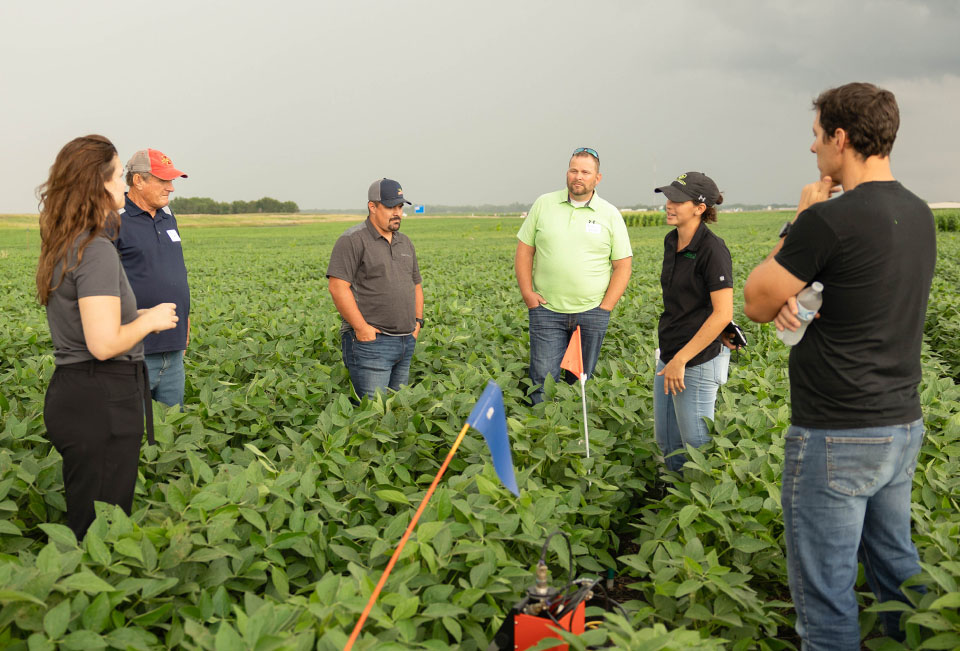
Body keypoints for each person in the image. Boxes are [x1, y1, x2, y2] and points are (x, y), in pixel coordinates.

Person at [743, 82, 936, 648]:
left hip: (837, 431)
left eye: (816, 136)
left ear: (841, 137)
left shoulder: (828, 220)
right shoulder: (918, 212)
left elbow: (755, 301)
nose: (813, 149)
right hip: (900, 423)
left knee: (826, 600)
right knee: (898, 572)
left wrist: (799, 220)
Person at [36, 135, 178, 539]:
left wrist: (138, 314)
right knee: (102, 532)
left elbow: (92, 323)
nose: (122, 184)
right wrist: (149, 322)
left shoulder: (66, 243)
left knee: (88, 519)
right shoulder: (96, 249)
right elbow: (102, 343)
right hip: (101, 400)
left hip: (76, 394)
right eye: (117, 176)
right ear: (97, 183)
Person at [515, 147, 632, 404]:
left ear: (597, 178)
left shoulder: (610, 214)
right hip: (546, 310)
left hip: (591, 312)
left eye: (585, 172)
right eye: (573, 170)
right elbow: (525, 251)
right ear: (567, 173)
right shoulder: (544, 204)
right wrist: (527, 294)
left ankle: (575, 435)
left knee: (579, 382)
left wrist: (605, 308)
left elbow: (623, 265)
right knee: (543, 381)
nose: (578, 176)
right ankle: (544, 431)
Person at [652, 172, 734, 472]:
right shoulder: (671, 240)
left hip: (696, 361)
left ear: (700, 208)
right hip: (670, 354)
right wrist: (670, 358)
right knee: (668, 442)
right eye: (668, 198)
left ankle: (706, 511)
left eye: (677, 200)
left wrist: (682, 359)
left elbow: (723, 314)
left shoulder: (713, 250)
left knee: (697, 447)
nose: (668, 205)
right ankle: (673, 506)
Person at [326, 178, 423, 399]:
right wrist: (361, 329)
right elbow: (338, 287)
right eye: (390, 206)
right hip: (371, 344)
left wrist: (417, 323)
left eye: (399, 206)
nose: (396, 212)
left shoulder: (405, 242)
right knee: (372, 417)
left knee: (397, 411)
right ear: (372, 206)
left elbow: (415, 284)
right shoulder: (353, 240)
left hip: (405, 341)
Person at [115, 149, 191, 407]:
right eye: (163, 181)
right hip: (132, 351)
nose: (171, 188)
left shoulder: (168, 217)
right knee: (130, 431)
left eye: (172, 181)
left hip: (173, 349)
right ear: (138, 180)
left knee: (172, 430)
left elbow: (174, 272)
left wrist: (185, 319)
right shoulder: (113, 218)